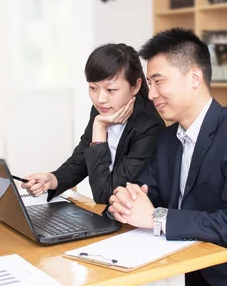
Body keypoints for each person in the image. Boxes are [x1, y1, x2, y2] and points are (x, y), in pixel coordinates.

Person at [107, 28, 227, 286]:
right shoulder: (168, 138)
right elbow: (148, 189)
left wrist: (156, 218)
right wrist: (127, 199)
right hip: (189, 270)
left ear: (194, 77)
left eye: (159, 81)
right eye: (150, 84)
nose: (151, 95)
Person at [21, 43, 165, 204]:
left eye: (111, 90)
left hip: (137, 222)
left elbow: (105, 194)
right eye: (93, 88)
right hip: (112, 216)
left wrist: (99, 129)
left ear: (136, 86)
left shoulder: (150, 128)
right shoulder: (102, 111)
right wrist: (52, 179)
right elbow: (81, 158)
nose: (100, 99)